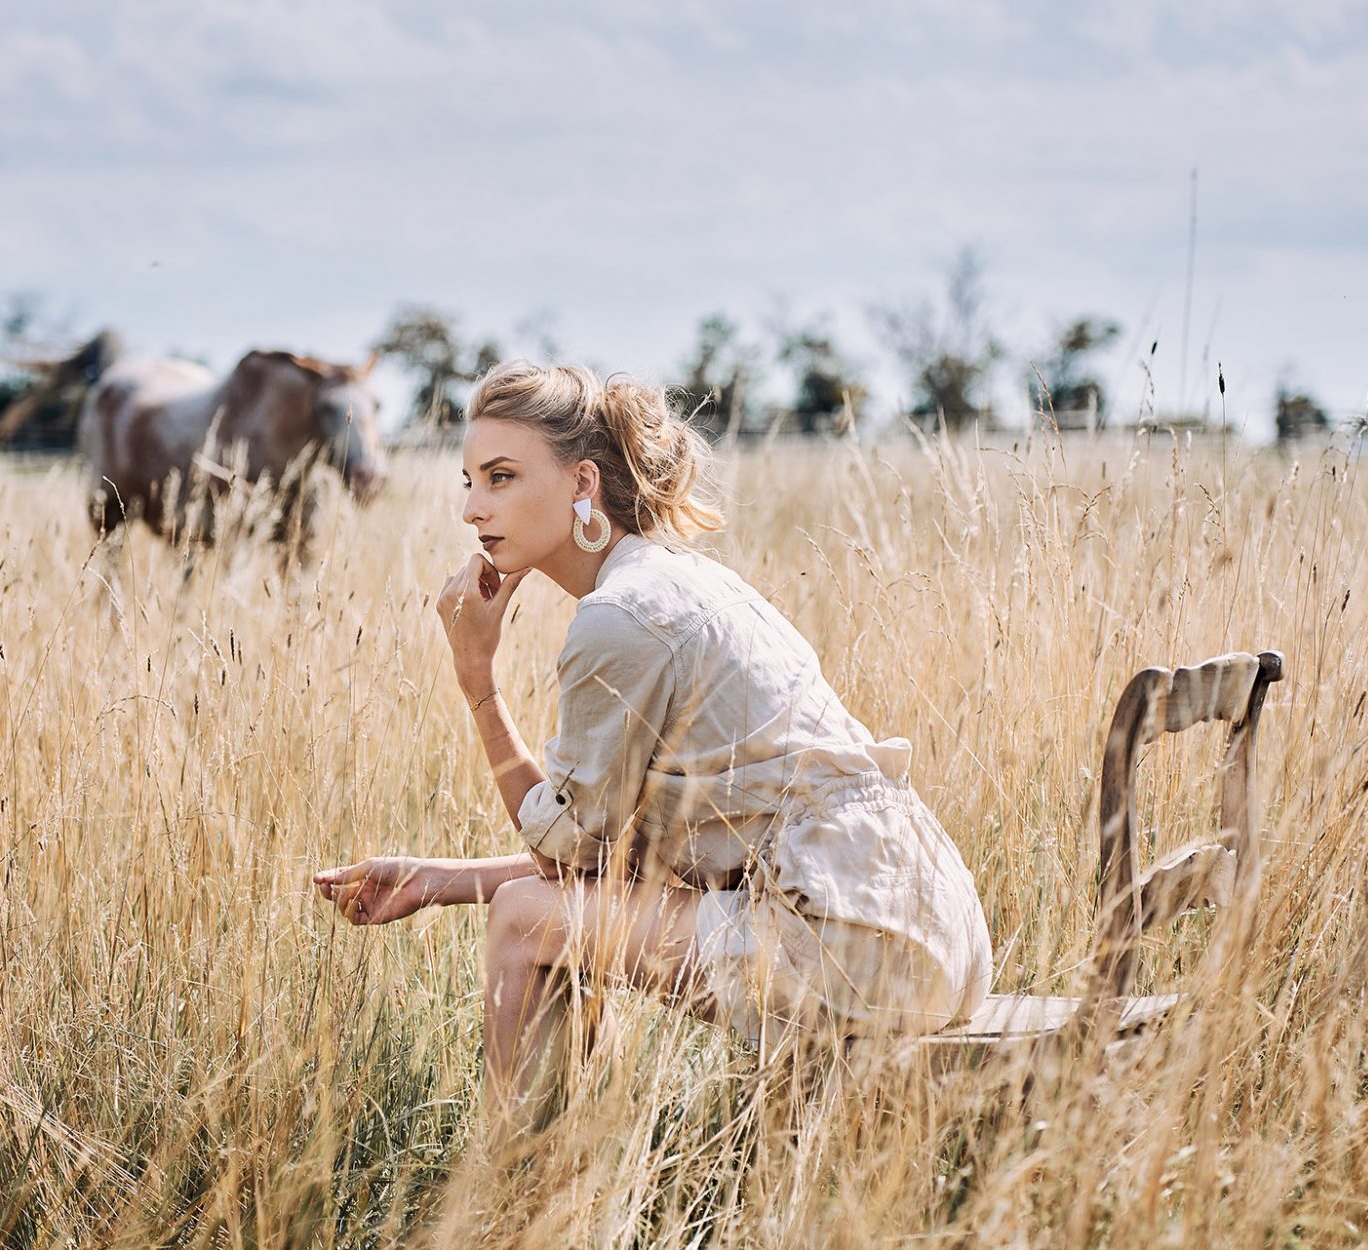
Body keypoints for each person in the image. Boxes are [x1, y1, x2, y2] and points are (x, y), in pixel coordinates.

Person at [314, 362, 992, 1131]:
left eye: (500, 477)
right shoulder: (680, 581)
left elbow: (565, 860)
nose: (472, 509)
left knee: (524, 916)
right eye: (468, 481)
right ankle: (550, 1184)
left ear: (583, 485)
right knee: (536, 906)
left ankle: (513, 1197)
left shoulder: (621, 617)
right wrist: (436, 879)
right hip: (928, 930)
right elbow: (628, 857)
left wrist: (478, 678)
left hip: (856, 944)